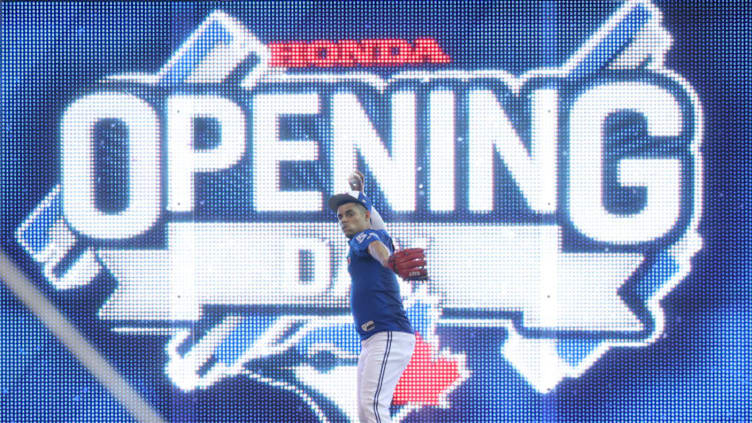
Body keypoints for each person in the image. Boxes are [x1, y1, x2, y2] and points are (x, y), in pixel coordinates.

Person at [328, 171, 427, 423]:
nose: (343, 220)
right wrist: (361, 193)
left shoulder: (364, 238)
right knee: (366, 408)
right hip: (377, 337)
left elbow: (377, 248)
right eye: (340, 216)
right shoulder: (376, 232)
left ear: (366, 217)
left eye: (350, 213)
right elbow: (379, 229)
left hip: (387, 332)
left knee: (371, 406)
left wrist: (388, 260)